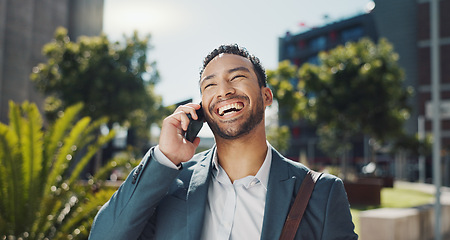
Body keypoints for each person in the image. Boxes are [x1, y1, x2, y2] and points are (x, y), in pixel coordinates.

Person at [89, 44, 358, 240]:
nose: (224, 91)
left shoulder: (321, 193)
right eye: (210, 85)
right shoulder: (170, 183)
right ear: (202, 107)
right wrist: (165, 157)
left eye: (237, 77)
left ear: (266, 96)